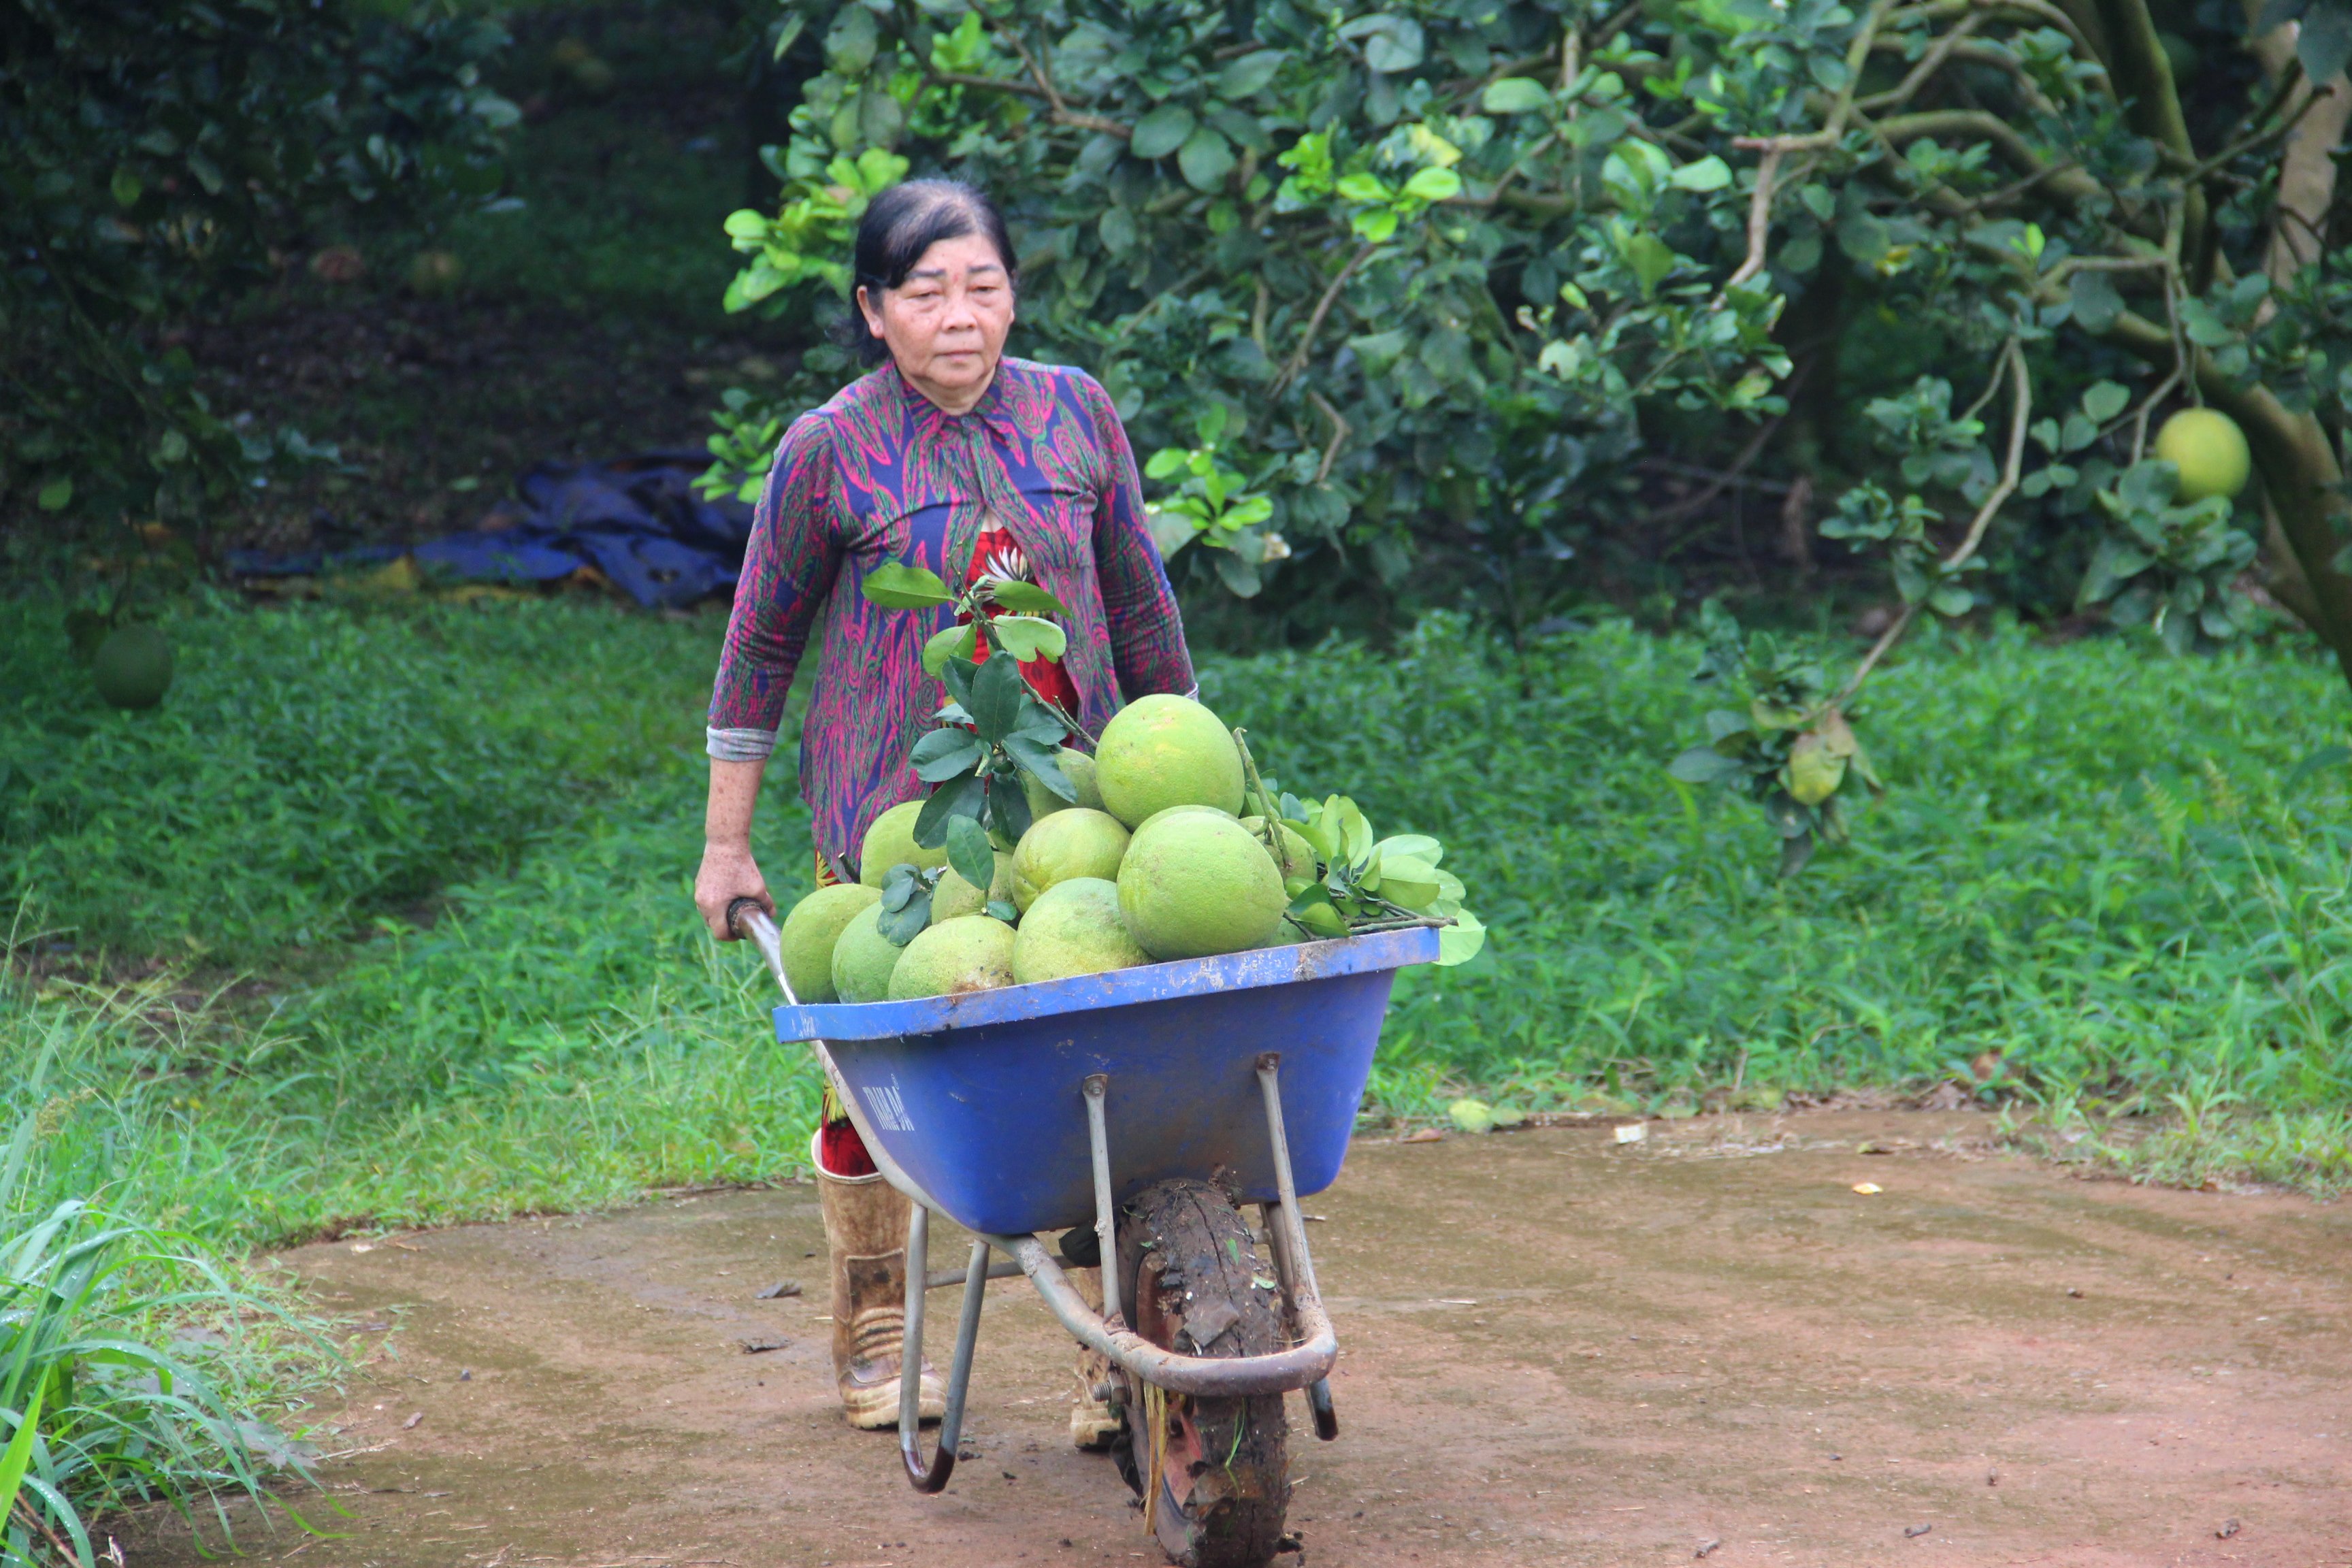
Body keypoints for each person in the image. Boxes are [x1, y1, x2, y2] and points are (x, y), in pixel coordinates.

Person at [693, 179, 1196, 1438]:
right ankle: (874, 1324)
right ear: (874, 311)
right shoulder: (829, 449)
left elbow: (1140, 612)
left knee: (1092, 1056)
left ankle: (1111, 1342)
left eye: (981, 286)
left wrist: (1192, 786)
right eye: (926, 293)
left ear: (1013, 293)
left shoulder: (1077, 413)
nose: (959, 317)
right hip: (890, 824)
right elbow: (758, 649)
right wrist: (724, 843)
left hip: (1067, 804)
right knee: (875, 1075)